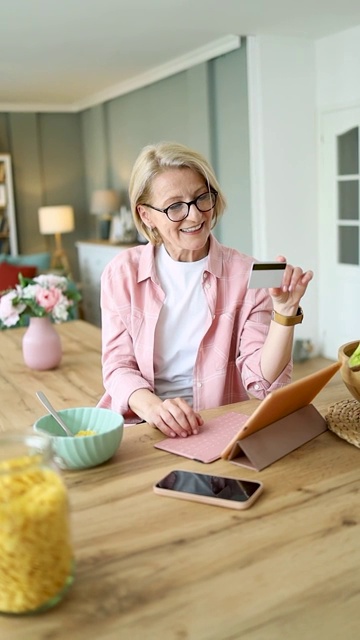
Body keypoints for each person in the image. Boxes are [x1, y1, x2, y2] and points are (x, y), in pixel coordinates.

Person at [97, 141, 313, 438]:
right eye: (175, 206)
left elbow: (263, 384)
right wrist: (155, 409)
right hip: (144, 422)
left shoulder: (251, 274)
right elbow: (118, 367)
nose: (196, 215)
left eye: (202, 198)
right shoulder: (122, 273)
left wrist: (284, 314)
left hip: (219, 425)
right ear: (146, 215)